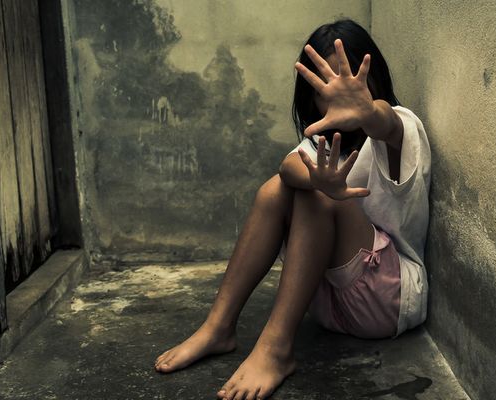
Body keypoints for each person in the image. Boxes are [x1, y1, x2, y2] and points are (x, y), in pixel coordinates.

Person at [154, 18, 431, 400]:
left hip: (389, 301)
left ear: (373, 78)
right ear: (311, 97)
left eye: (348, 80)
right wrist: (319, 178)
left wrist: (367, 112)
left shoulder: (399, 126)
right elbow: (288, 168)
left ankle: (277, 350)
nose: (338, 94)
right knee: (279, 189)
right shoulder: (322, 143)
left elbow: (385, 122)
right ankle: (218, 326)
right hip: (330, 304)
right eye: (324, 87)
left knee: (318, 196)